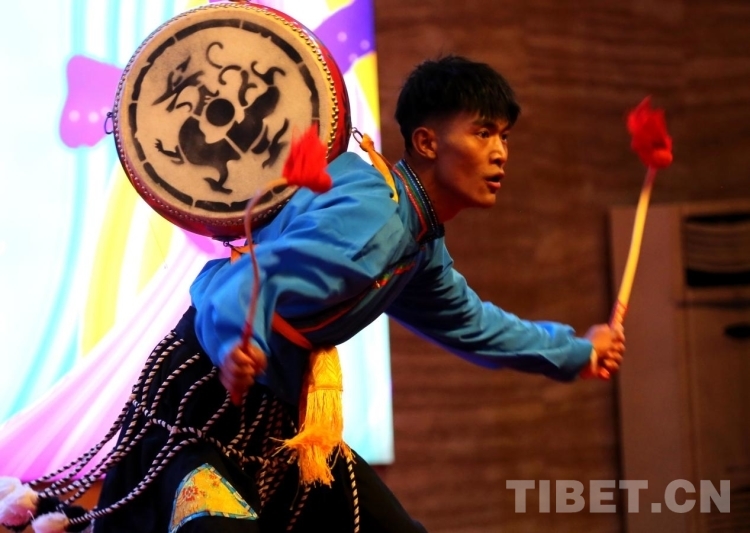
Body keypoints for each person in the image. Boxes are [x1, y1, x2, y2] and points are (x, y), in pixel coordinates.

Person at [6, 55, 623, 533]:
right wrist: (235, 343)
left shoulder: (417, 241)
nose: (500, 153)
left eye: (505, 136)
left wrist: (579, 351)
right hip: (203, 404)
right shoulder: (374, 218)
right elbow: (240, 281)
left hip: (275, 421)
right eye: (484, 132)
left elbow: (479, 327)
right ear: (428, 143)